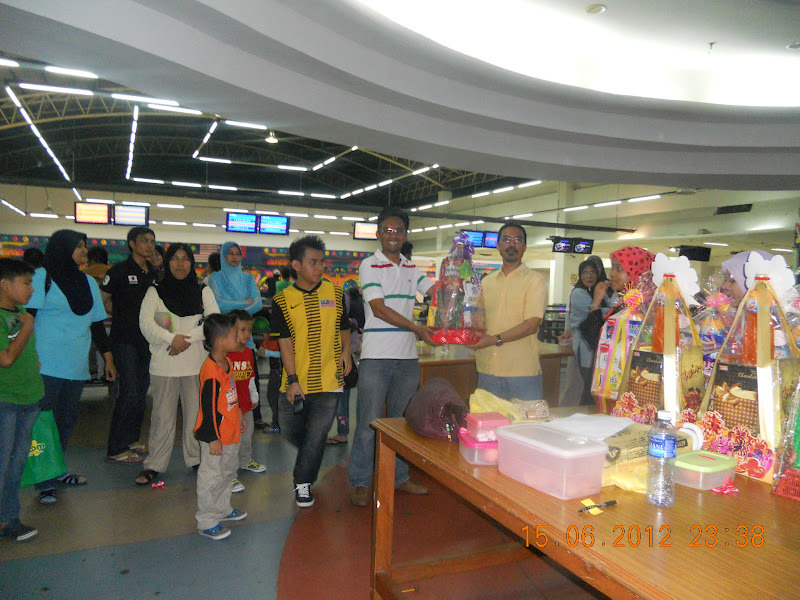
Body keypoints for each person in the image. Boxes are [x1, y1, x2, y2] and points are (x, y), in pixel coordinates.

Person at [348, 207, 435, 508]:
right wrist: (416, 328)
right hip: (376, 357)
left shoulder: (412, 268)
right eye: (387, 230)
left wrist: (455, 287)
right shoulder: (369, 265)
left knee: (402, 424)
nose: (393, 235)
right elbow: (379, 308)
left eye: (398, 230)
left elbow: (435, 291)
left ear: (406, 234)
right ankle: (360, 480)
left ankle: (400, 477)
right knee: (368, 423)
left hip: (407, 358)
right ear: (378, 233)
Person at [26, 230, 117, 505]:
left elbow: (97, 325)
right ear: (62, 248)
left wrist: (109, 359)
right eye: (78, 246)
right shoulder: (42, 278)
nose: (83, 251)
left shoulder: (88, 282)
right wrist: (27, 357)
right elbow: (27, 320)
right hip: (47, 364)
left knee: (65, 422)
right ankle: (43, 479)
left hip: (76, 367)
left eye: (84, 246)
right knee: (43, 424)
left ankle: (57, 469)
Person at [270, 236, 352, 508]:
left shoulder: (336, 293)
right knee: (290, 430)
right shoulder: (283, 300)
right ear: (296, 265)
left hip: (329, 381)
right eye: (313, 262)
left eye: (322, 261)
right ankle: (311, 455)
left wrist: (346, 350)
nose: (320, 267)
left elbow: (344, 327)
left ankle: (302, 482)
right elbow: (285, 345)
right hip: (295, 383)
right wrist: (293, 380)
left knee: (317, 435)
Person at [135, 244, 220, 485]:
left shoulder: (203, 291)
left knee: (196, 416)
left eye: (185, 259)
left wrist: (186, 340)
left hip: (195, 365)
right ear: (167, 262)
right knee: (162, 418)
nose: (180, 264)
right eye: (175, 259)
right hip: (164, 366)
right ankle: (154, 465)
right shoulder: (155, 291)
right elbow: (146, 324)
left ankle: (196, 459)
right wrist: (172, 339)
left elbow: (213, 321)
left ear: (192, 263)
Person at [467, 222, 546, 401]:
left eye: (517, 240)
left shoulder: (535, 281)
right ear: (499, 245)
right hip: (487, 370)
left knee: (525, 427)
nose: (512, 244)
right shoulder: (486, 283)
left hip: (522, 373)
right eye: (506, 240)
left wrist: (494, 340)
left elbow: (531, 325)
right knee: (487, 427)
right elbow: (476, 320)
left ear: (524, 247)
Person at [100, 226, 157, 464]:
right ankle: (116, 447)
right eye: (144, 241)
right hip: (125, 341)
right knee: (130, 392)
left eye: (152, 241)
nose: (149, 245)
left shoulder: (154, 272)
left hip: (148, 341)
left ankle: (132, 440)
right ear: (132, 244)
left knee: (141, 393)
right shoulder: (119, 271)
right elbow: (103, 301)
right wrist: (118, 313)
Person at [0, 259, 43, 541]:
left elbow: (28, 354)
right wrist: (27, 327)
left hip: (30, 398)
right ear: (5, 284)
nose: (31, 289)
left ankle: (9, 518)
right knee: (3, 463)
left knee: (16, 463)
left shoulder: (23, 312)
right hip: (6, 400)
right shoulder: (19, 319)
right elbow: (6, 358)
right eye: (26, 283)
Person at [194, 313, 247, 541]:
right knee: (211, 477)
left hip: (231, 432)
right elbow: (208, 408)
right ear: (220, 342)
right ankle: (206, 519)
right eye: (235, 335)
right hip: (215, 437)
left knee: (227, 472)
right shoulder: (211, 372)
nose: (240, 338)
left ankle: (222, 508)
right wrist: (212, 437)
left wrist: (239, 413)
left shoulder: (227, 363)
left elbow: (229, 395)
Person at [207, 242, 266, 430]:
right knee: (225, 379)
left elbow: (257, 305)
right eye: (230, 254)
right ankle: (225, 416)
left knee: (249, 378)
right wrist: (244, 302)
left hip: (246, 341)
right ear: (223, 256)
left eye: (237, 254)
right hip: (225, 339)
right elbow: (218, 304)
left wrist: (234, 304)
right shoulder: (215, 278)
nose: (234, 257)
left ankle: (253, 417)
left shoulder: (248, 279)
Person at [581, 246, 656, 354]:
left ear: (636, 270)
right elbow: (596, 338)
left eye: (619, 268)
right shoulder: (624, 303)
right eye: (613, 268)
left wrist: (596, 303)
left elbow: (597, 339)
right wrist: (597, 301)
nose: (612, 274)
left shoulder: (644, 308)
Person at [227, 309, 266, 494]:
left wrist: (254, 396)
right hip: (229, 407)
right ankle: (228, 475)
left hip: (246, 404)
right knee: (231, 440)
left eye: (249, 330)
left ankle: (245, 461)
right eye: (241, 330)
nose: (246, 334)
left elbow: (250, 377)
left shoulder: (249, 352)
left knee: (247, 432)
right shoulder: (225, 354)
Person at [566, 260, 600, 406]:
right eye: (585, 272)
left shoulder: (593, 292)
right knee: (583, 383)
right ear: (580, 275)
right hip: (583, 346)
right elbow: (597, 311)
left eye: (592, 272)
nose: (589, 276)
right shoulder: (579, 293)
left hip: (591, 345)